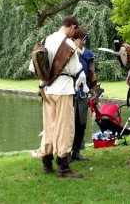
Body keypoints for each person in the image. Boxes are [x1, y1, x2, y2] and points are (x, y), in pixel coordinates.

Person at [30, 16, 83, 178]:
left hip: (47, 89)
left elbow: (33, 67)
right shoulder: (68, 44)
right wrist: (77, 51)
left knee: (49, 126)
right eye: (75, 30)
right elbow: (75, 69)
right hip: (63, 90)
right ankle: (63, 167)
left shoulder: (45, 40)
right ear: (72, 27)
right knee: (65, 128)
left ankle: (47, 163)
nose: (74, 33)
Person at [71, 27, 97, 162]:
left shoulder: (88, 55)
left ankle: (76, 151)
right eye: (81, 39)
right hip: (68, 92)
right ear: (75, 38)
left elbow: (92, 75)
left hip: (82, 92)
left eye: (84, 39)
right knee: (69, 123)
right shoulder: (68, 52)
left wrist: (94, 92)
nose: (83, 42)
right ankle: (66, 152)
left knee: (81, 123)